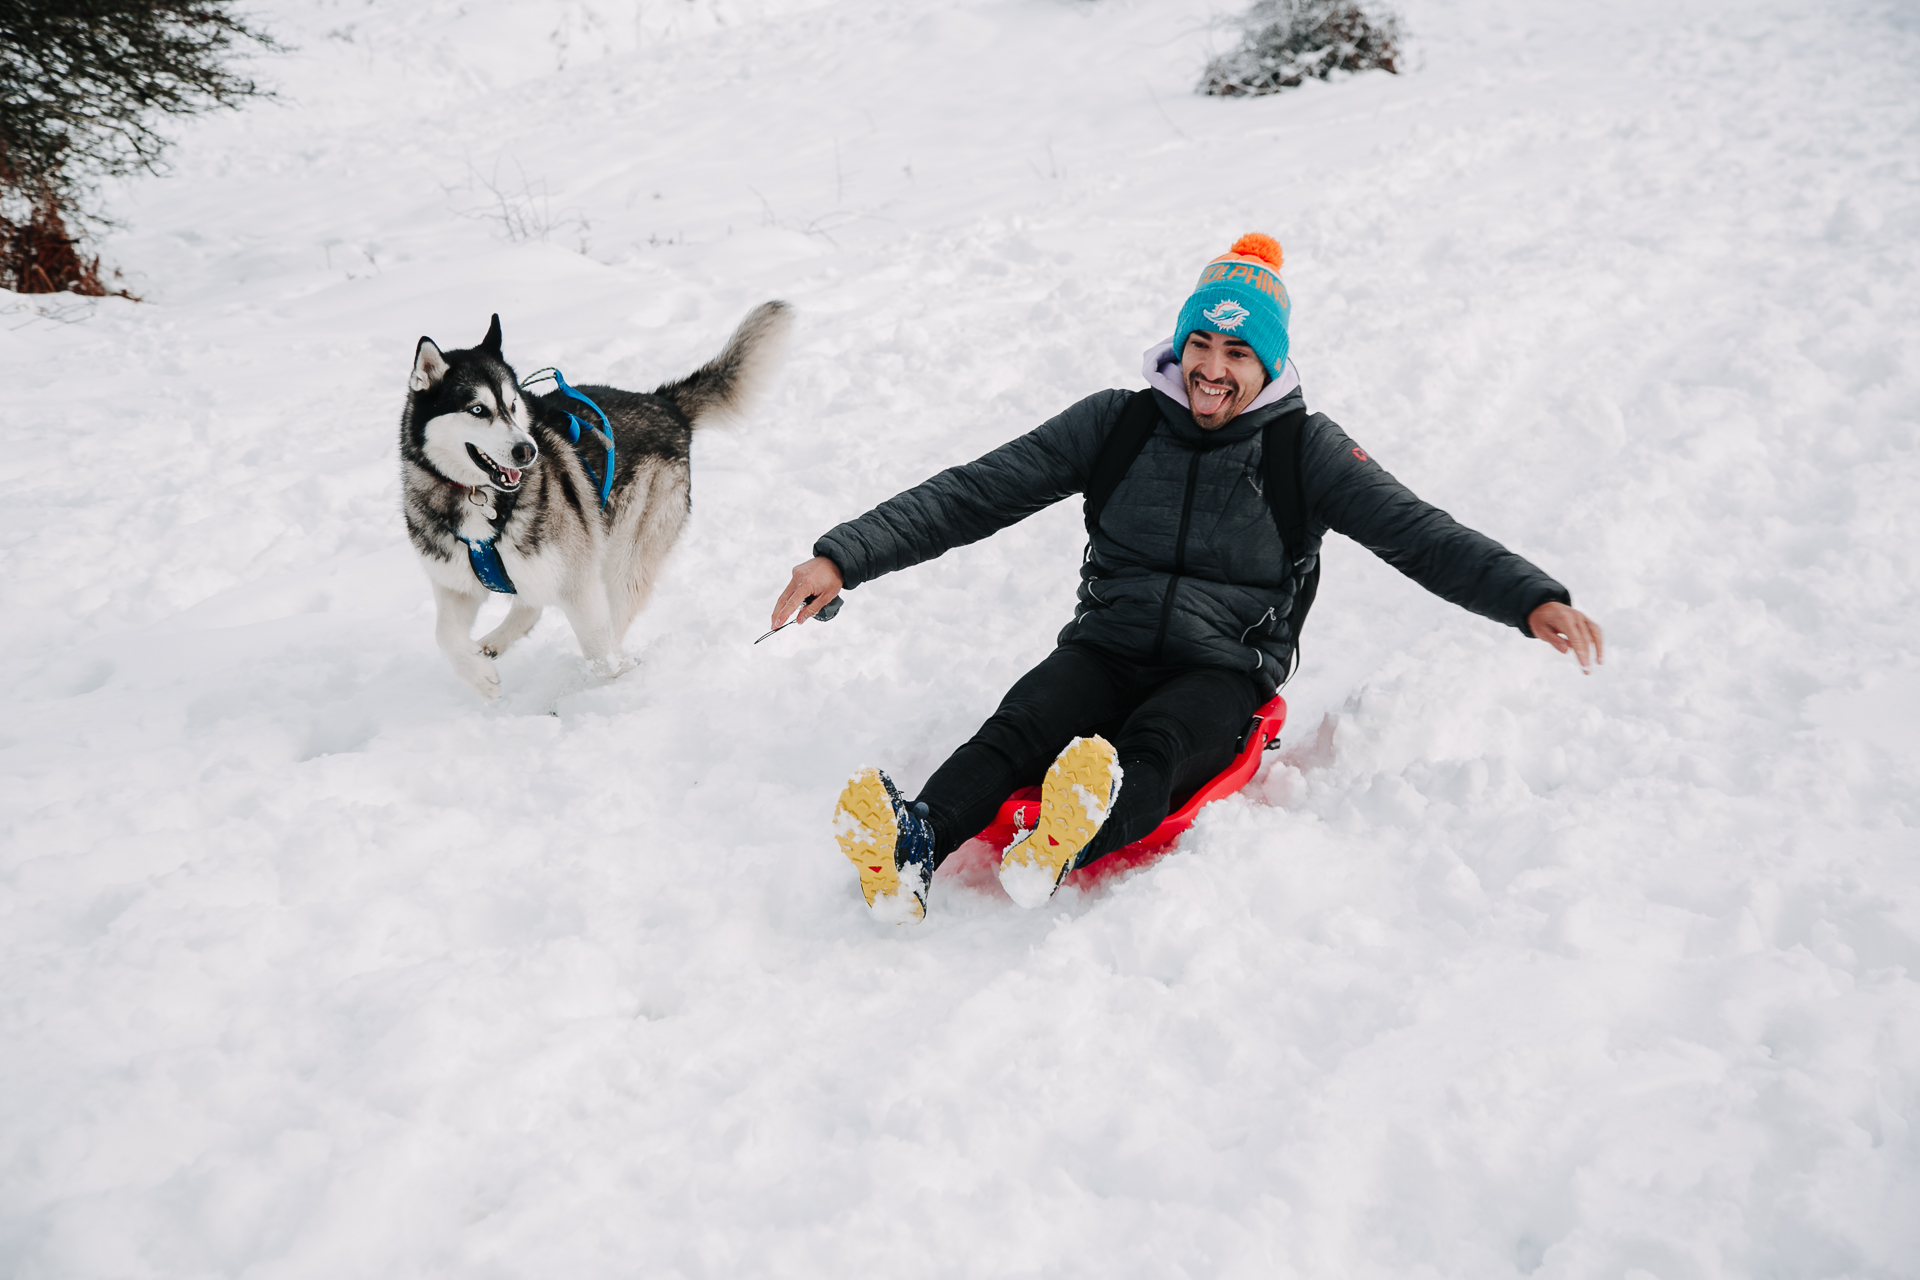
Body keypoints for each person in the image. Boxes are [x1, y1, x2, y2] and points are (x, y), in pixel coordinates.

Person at [772, 234, 1602, 922]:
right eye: (1200, 343)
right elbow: (977, 490)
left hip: (1221, 669)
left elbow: (1418, 533)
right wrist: (846, 555)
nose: (1212, 368)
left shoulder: (1302, 450)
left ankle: (1067, 840)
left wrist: (1529, 596)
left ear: (1268, 363)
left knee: (1157, 747)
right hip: (1107, 644)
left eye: (1237, 352)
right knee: (1020, 724)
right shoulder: (1118, 423)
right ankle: (913, 846)